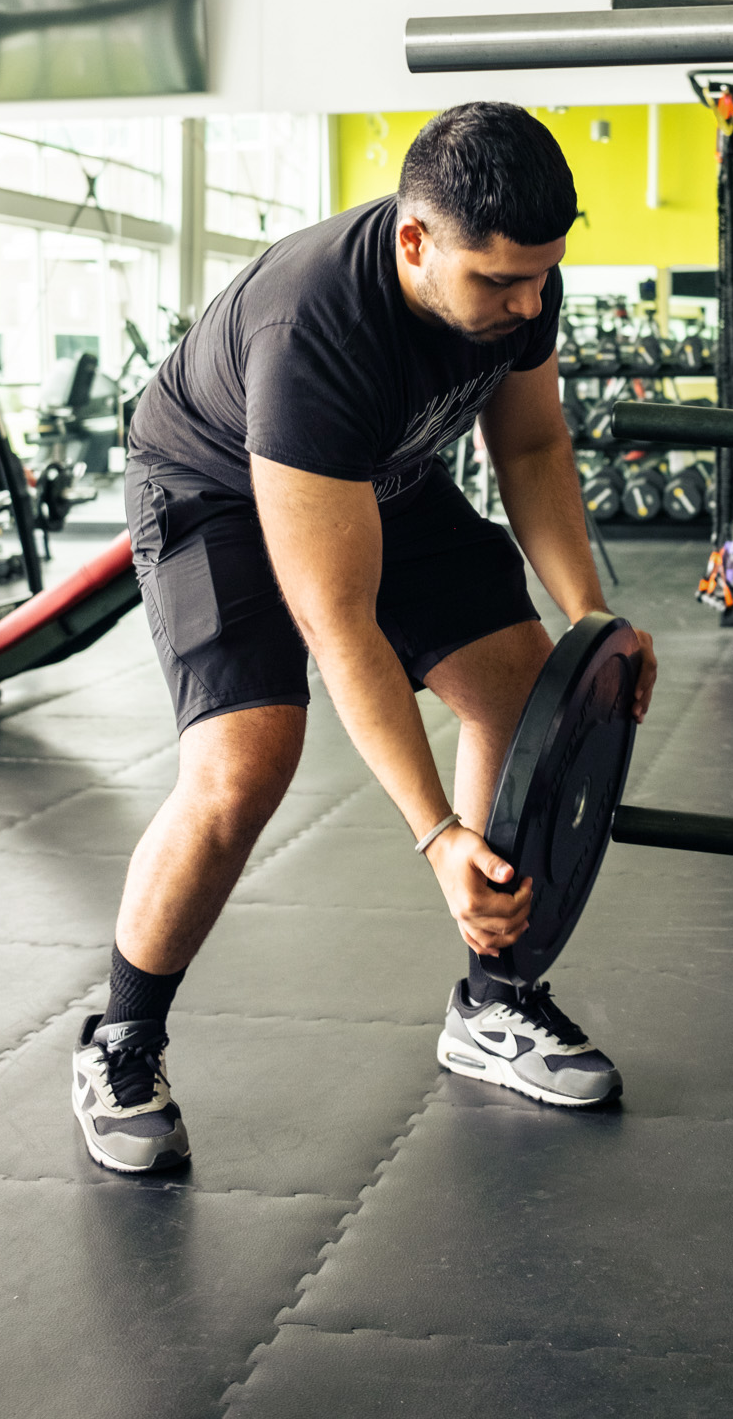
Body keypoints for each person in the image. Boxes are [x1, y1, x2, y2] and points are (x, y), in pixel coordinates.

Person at [71, 103, 658, 1174]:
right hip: (215, 491)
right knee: (245, 759)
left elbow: (529, 444)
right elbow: (338, 626)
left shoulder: (518, 279)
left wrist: (589, 618)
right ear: (413, 242)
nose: (527, 305)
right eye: (499, 284)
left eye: (542, 277)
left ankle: (494, 1000)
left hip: (380, 470)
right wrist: (437, 835)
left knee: (529, 687)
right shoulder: (315, 332)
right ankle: (120, 1038)